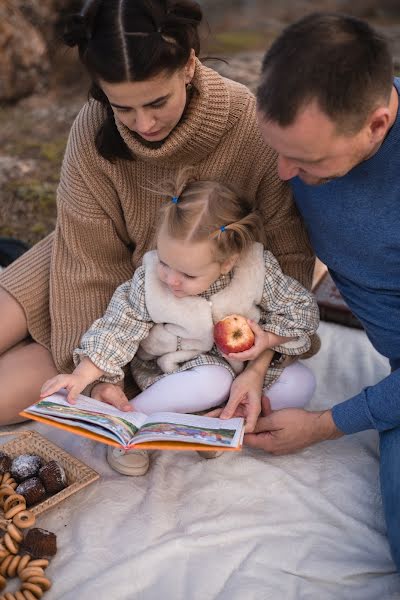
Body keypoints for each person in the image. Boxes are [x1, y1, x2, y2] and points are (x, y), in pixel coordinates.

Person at [0, 0, 317, 427]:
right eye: (123, 108)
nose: (144, 124)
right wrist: (99, 377)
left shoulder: (248, 125)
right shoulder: (93, 127)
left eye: (156, 102)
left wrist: (257, 366)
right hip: (85, 270)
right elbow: (87, 263)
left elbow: (289, 259)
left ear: (188, 65)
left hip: (175, 305)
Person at [40, 170, 319, 476]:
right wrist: (82, 375)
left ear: (227, 262)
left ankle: (217, 424)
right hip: (179, 368)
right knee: (212, 379)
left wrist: (268, 339)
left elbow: (302, 310)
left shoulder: (255, 270)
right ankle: (131, 426)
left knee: (300, 383)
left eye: (187, 275)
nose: (171, 280)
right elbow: (119, 326)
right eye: (164, 262)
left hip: (242, 371)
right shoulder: (150, 282)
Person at [252, 12, 400, 570]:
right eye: (278, 150)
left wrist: (323, 425)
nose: (284, 172)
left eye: (308, 161)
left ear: (377, 126)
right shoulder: (294, 137)